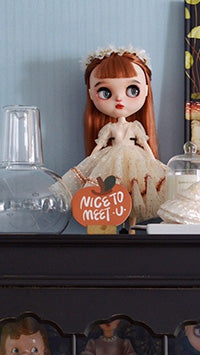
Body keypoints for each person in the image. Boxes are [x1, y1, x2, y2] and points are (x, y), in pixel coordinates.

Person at [60, 46, 167, 223]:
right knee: (111, 193)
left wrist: (153, 162)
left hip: (136, 160)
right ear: (91, 95)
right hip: (110, 160)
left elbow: (145, 144)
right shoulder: (109, 129)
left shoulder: (135, 127)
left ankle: (131, 225)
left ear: (146, 90)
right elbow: (99, 146)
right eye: (106, 92)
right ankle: (116, 226)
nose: (119, 99)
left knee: (135, 189)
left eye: (132, 90)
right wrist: (89, 164)